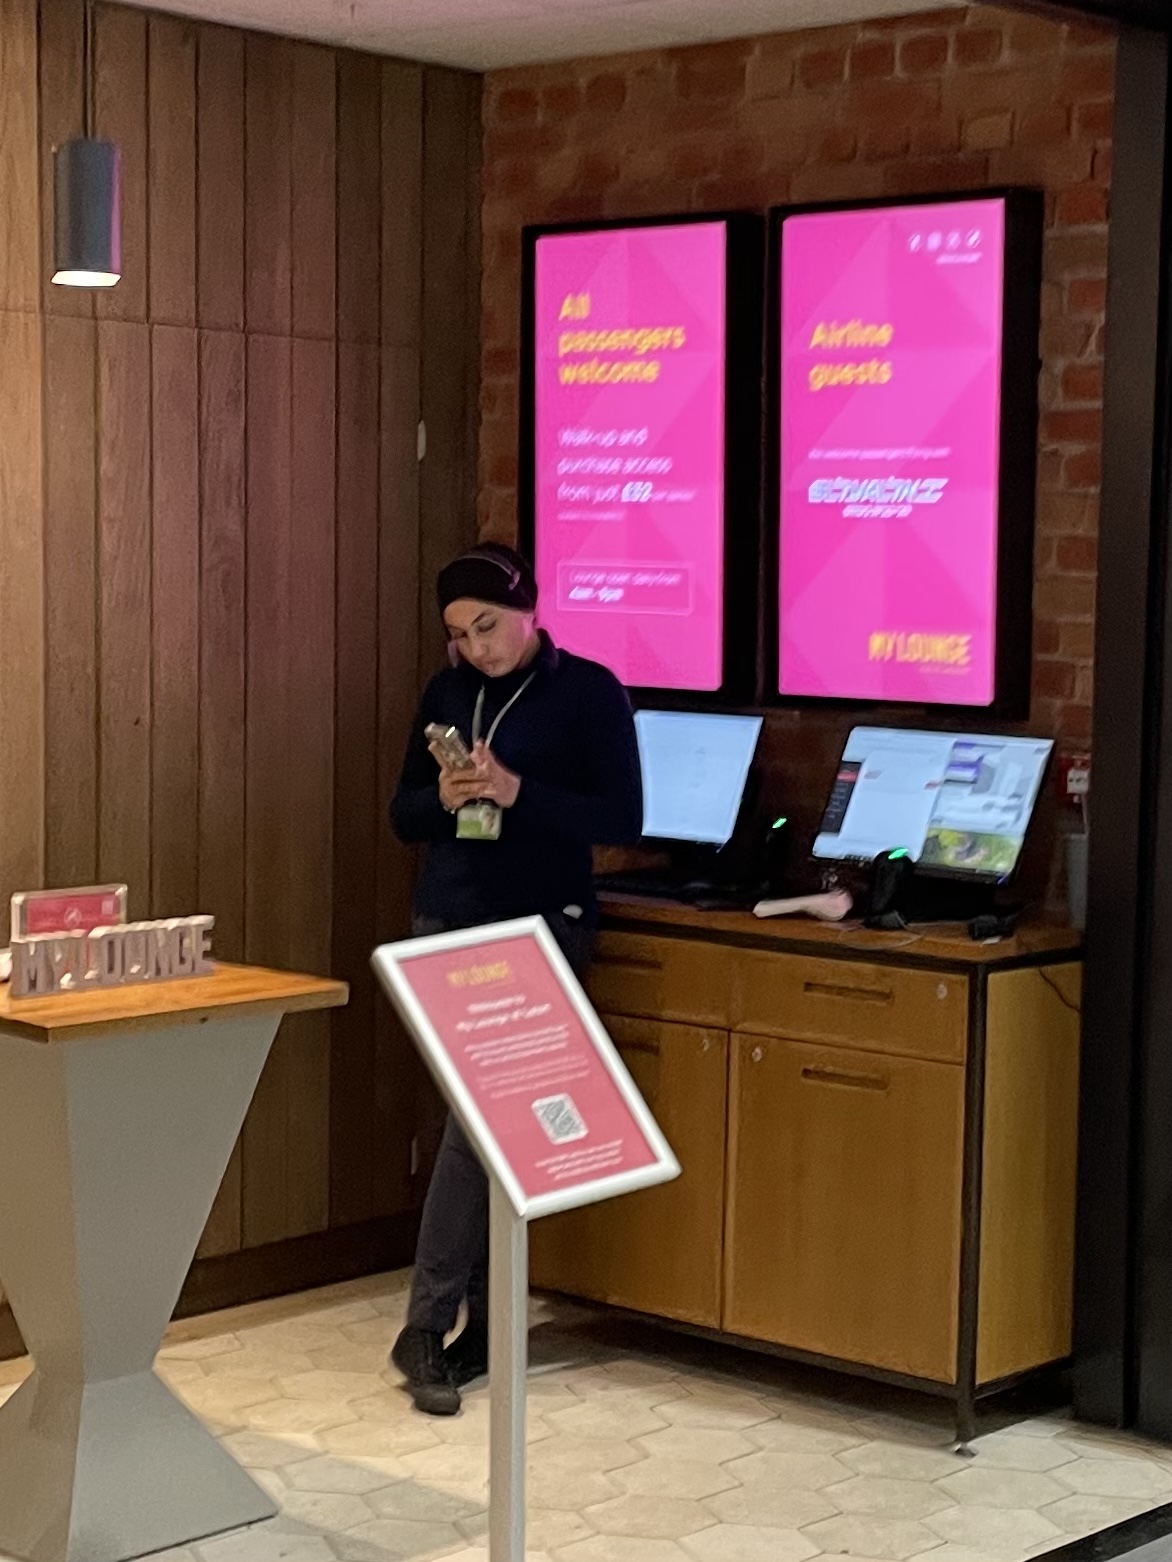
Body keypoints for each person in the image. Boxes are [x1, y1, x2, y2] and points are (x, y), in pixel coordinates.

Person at [389, 541, 643, 1414]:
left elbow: (622, 816)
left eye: (489, 626)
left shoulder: (590, 692)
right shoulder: (446, 692)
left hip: (541, 926)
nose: (477, 648)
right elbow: (402, 814)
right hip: (449, 919)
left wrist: (516, 791)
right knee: (480, 1131)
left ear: (531, 610)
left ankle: (428, 1326)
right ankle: (476, 1326)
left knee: (482, 1129)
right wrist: (447, 798)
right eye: (460, 634)